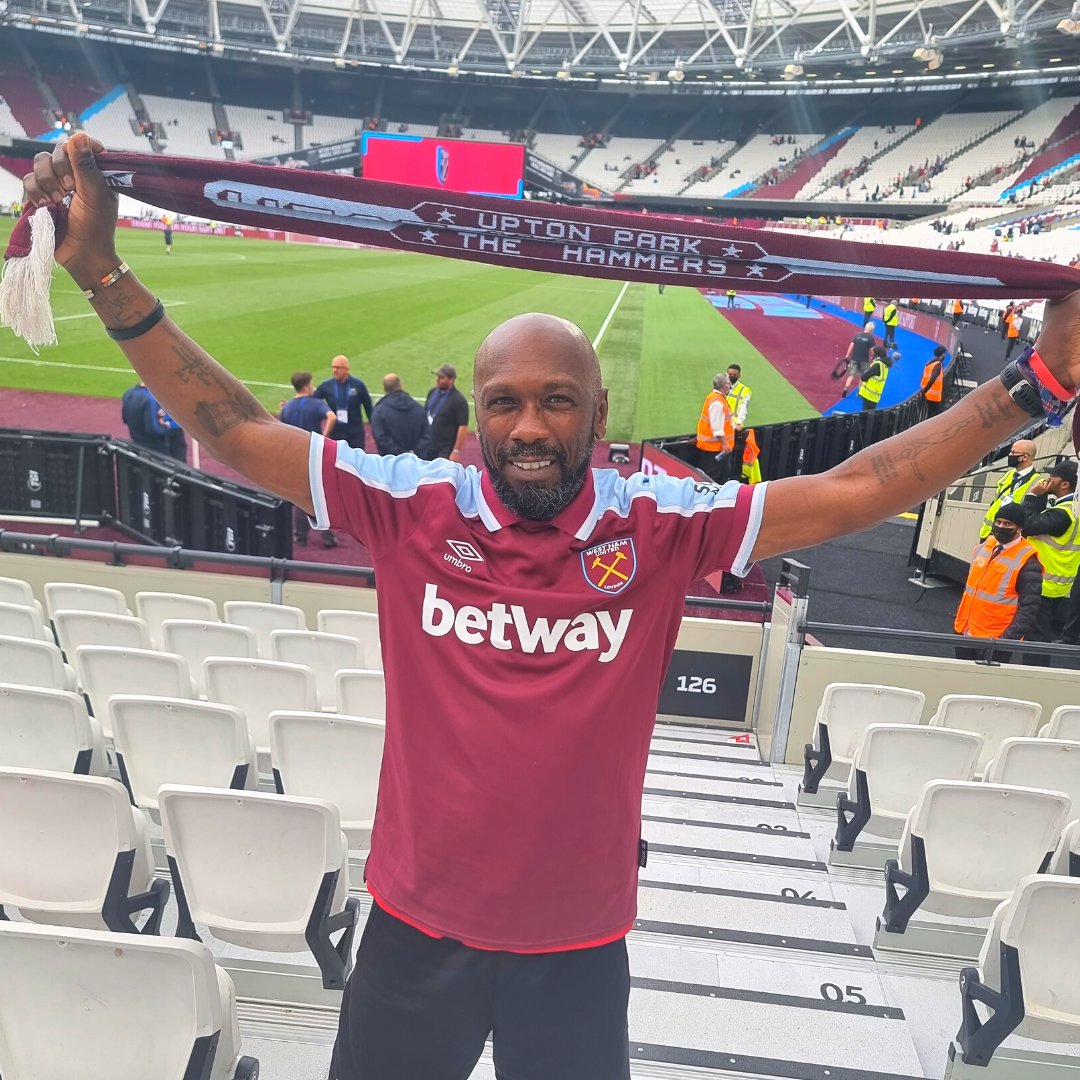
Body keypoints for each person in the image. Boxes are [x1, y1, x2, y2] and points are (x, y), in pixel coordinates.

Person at [25, 131, 1080, 1080]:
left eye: (557, 400)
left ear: (598, 413)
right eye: (505, 403)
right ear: (476, 417)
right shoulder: (408, 505)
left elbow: (857, 490)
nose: (529, 426)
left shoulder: (662, 525)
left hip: (577, 944)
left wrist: (1034, 382)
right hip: (413, 930)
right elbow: (239, 431)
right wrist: (104, 272)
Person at [954, 501, 1042, 664]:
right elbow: (972, 588)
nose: (1001, 527)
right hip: (965, 630)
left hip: (994, 641)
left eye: (1007, 524)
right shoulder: (984, 547)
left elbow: (1029, 609)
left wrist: (1004, 642)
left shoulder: (1028, 561)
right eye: (998, 522)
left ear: (1019, 528)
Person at [1021, 460, 1080, 659]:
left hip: (1044, 582)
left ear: (1065, 484)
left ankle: (1035, 673)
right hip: (1059, 582)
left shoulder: (1062, 514)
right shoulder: (1073, 509)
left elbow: (1026, 525)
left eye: (1053, 476)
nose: (1048, 480)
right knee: (1041, 631)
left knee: (1036, 636)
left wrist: (1032, 496)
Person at [280, 371, 337, 548]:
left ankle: (301, 536)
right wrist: (324, 436)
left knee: (300, 497)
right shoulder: (316, 403)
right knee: (323, 496)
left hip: (294, 456)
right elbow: (332, 416)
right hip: (314, 455)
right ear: (306, 386)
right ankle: (327, 536)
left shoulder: (287, 407)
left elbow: (281, 429)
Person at [980, 439, 1041, 541]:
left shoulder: (1038, 483)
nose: (1010, 455)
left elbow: (1030, 519)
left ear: (1025, 457)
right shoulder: (1010, 474)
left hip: (1009, 538)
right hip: (989, 533)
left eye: (1013, 452)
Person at [314, 355, 374, 451]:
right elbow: (312, 401)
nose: (334, 370)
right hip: (336, 434)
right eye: (333, 367)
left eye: (338, 367)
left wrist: (375, 429)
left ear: (346, 369)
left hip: (355, 434)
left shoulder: (358, 385)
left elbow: (369, 408)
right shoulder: (326, 386)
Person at [420, 363, 470, 461]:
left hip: (444, 450)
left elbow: (463, 427)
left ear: (451, 380)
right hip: (427, 446)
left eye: (441, 378)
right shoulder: (432, 392)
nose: (437, 380)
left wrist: (455, 451)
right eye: (437, 377)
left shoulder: (459, 400)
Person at [370, 373, 426, 456]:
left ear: (384, 388)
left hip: (389, 461)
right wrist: (414, 453)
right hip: (415, 460)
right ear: (401, 386)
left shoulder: (379, 411)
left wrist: (399, 453)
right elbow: (427, 434)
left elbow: (380, 437)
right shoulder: (418, 408)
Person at [695, 372, 734, 478]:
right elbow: (717, 428)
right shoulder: (717, 402)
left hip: (714, 448)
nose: (730, 386)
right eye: (729, 383)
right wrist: (726, 444)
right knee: (714, 478)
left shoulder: (714, 397)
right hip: (715, 449)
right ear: (724, 386)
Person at [121, 380, 172, 455]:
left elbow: (125, 419)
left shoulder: (128, 393)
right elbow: (154, 430)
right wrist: (166, 426)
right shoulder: (151, 398)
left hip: (136, 446)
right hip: (155, 451)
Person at [841, 321, 877, 398]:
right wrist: (874, 357)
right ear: (871, 330)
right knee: (862, 376)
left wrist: (847, 355)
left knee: (851, 374)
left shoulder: (857, 335)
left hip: (854, 358)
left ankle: (846, 387)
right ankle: (859, 391)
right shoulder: (870, 338)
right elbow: (873, 350)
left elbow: (851, 345)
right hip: (864, 360)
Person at [857, 345, 891, 411]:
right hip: (875, 396)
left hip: (869, 395)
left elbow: (864, 377)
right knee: (870, 413)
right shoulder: (885, 366)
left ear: (877, 354)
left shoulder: (877, 365)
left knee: (865, 414)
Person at [920, 346, 947, 417]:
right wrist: (924, 391)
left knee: (931, 414)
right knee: (934, 415)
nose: (945, 355)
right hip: (934, 396)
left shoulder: (929, 363)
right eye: (944, 354)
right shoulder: (938, 365)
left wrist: (923, 390)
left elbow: (922, 376)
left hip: (928, 394)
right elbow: (932, 379)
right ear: (942, 354)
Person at [725, 364, 752, 430]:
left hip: (734, 425)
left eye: (734, 375)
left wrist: (739, 423)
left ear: (739, 375)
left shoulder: (745, 390)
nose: (732, 376)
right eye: (730, 374)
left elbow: (743, 408)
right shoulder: (721, 386)